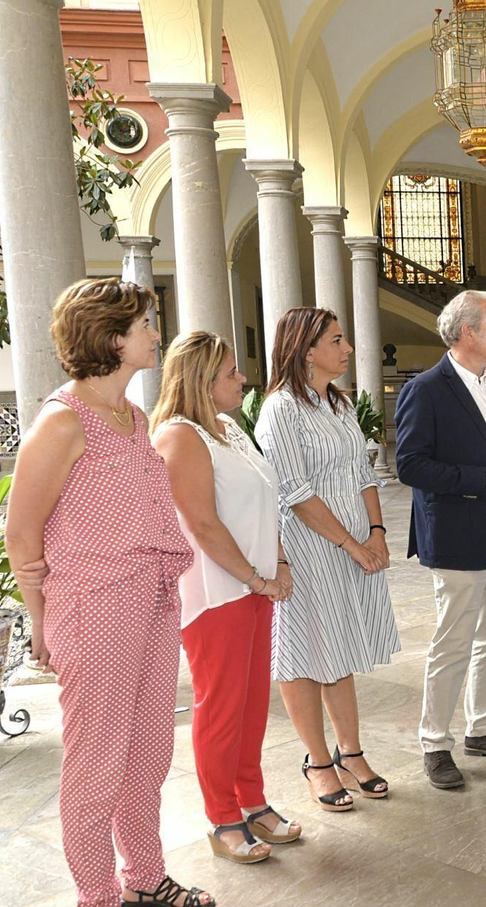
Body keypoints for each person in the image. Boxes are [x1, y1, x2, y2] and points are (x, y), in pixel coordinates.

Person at [5, 278, 209, 907]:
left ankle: (144, 878)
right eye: (147, 324)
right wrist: (41, 622)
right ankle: (95, 903)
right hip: (93, 608)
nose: (157, 333)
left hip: (151, 596)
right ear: (113, 338)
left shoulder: (134, 416)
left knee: (146, 752)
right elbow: (21, 532)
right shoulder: (63, 420)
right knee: (96, 763)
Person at [151, 331, 302, 864]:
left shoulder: (230, 428)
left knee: (253, 703)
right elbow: (203, 525)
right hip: (217, 591)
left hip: (256, 584)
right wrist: (256, 579)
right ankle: (222, 817)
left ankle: (253, 801)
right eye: (232, 373)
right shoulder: (179, 435)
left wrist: (278, 565)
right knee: (220, 707)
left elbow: (268, 503)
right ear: (200, 380)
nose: (243, 379)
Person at [255, 308, 399, 810]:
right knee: (303, 650)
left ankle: (351, 752)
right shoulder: (280, 409)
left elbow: (364, 471)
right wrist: (351, 544)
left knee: (337, 646)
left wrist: (376, 532)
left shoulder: (337, 404)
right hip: (309, 546)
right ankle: (317, 760)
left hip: (353, 542)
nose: (348, 348)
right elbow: (293, 491)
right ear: (307, 348)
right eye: (337, 340)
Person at [395, 290, 486, 789]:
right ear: (468, 332)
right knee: (453, 641)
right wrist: (484, 479)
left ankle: (484, 727)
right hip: (457, 532)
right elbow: (410, 466)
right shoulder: (426, 389)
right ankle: (435, 742)